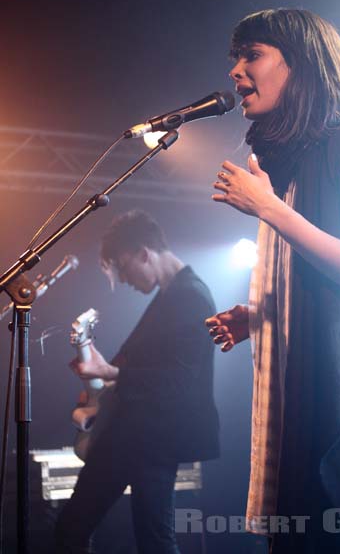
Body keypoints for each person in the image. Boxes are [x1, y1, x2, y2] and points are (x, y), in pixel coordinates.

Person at [206, 8, 340, 553]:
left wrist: (270, 209)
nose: (236, 73)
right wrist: (263, 316)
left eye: (253, 56)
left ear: (303, 66)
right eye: (235, 59)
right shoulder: (292, 159)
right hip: (307, 394)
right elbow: (317, 274)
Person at [56, 209, 220, 554]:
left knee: (150, 538)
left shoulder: (190, 296)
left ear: (144, 253)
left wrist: (111, 373)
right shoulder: (171, 294)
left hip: (153, 438)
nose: (126, 280)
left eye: (124, 267)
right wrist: (103, 377)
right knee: (81, 528)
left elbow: (180, 383)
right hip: (135, 434)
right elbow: (148, 367)